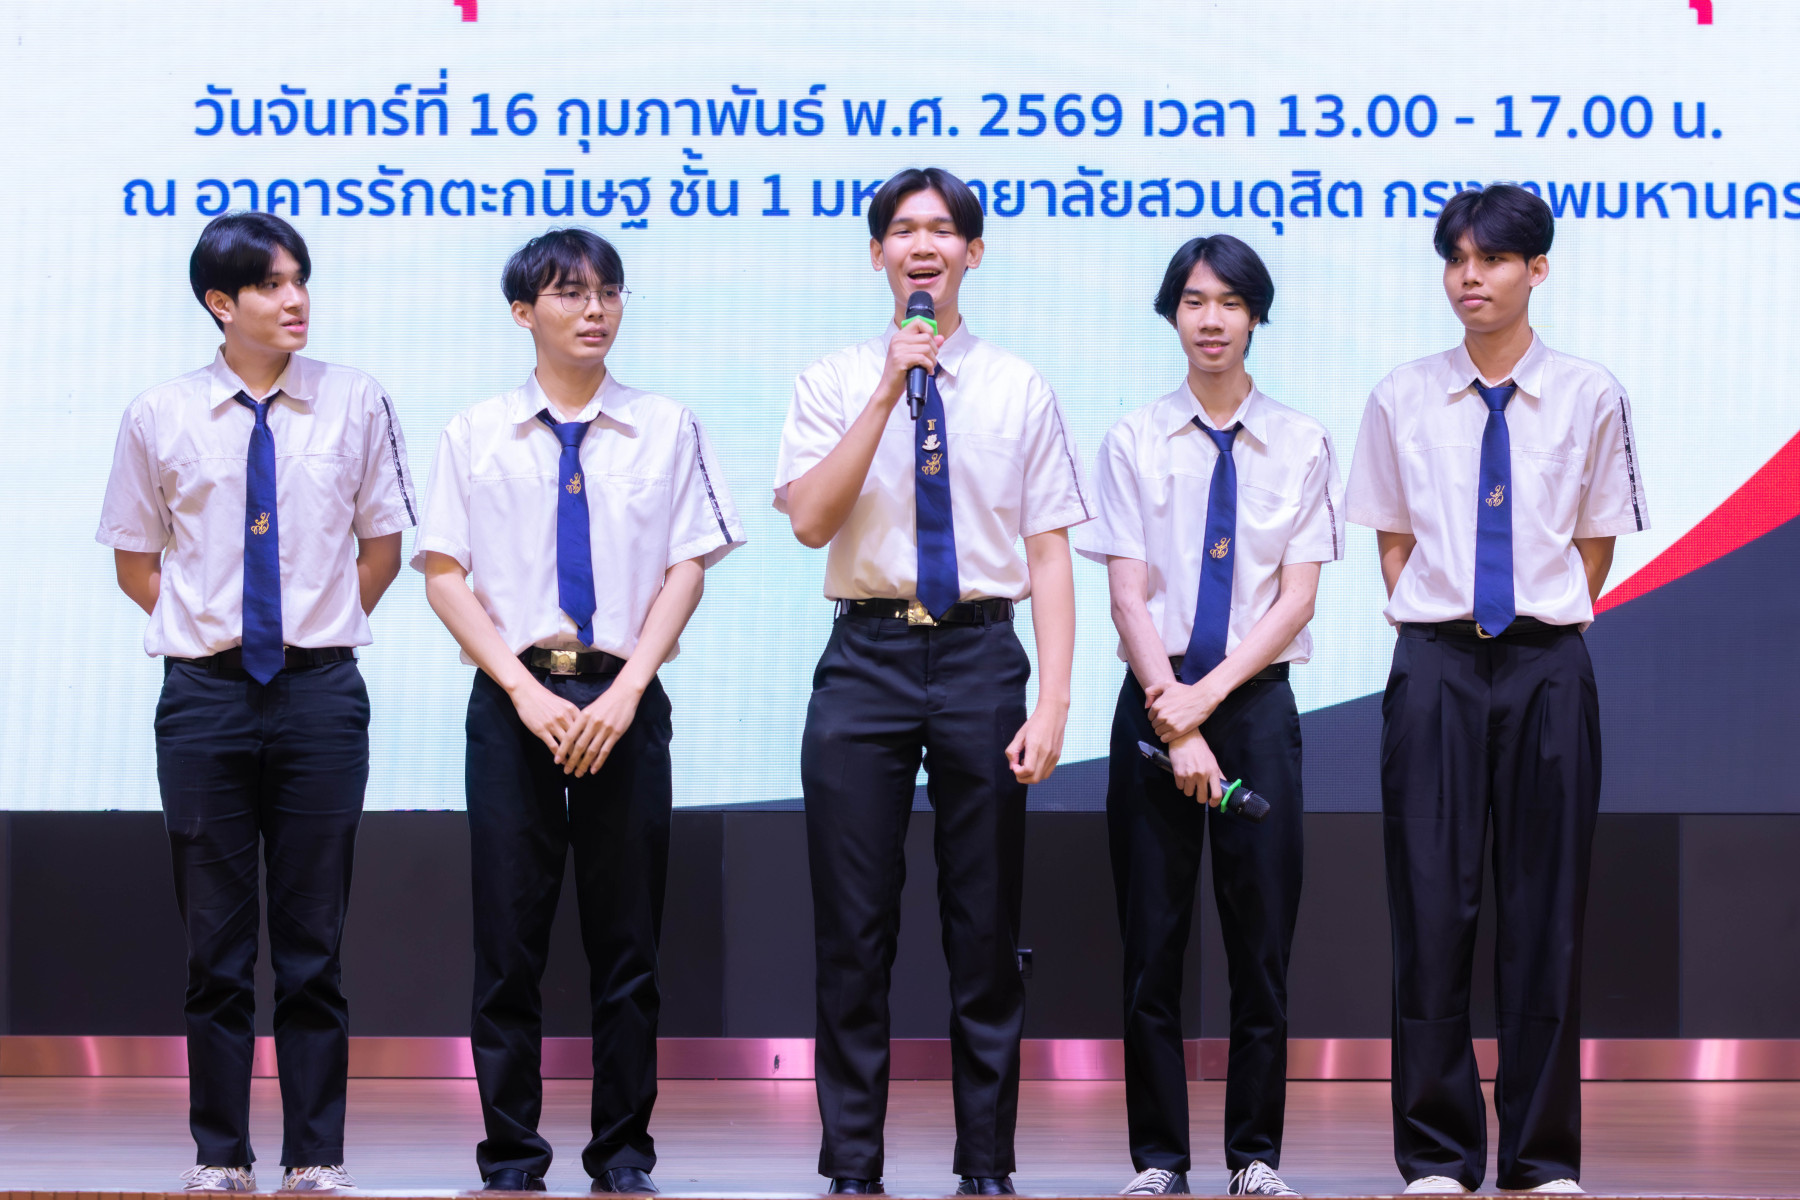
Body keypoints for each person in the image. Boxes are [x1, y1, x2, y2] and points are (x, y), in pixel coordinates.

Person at [773, 167, 1091, 1196]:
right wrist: (885, 390)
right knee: (853, 929)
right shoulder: (833, 380)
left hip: (981, 656)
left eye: (943, 231)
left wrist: (1053, 700)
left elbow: (1048, 551)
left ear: (973, 253)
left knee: (984, 927)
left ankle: (986, 1165)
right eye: (904, 231)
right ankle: (852, 1166)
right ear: (877, 255)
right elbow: (810, 521)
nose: (923, 246)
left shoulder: (1018, 386)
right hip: (864, 657)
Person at [415, 227, 744, 1194]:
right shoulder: (475, 433)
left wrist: (629, 687)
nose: (594, 309)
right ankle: (512, 1156)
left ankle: (624, 1153)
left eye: (608, 291)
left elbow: (689, 564)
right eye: (568, 293)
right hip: (512, 698)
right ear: (523, 312)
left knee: (628, 945)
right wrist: (522, 692)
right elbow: (443, 575)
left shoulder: (667, 425)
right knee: (507, 946)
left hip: (624, 697)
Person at [97, 211, 416, 1192]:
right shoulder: (160, 414)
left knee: (315, 946)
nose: (295, 299)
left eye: (300, 279)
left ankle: (315, 1155)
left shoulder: (357, 399)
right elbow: (136, 562)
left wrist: (312, 628)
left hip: (321, 697)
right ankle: (220, 1155)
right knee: (218, 948)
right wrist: (213, 630)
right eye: (272, 284)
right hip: (205, 699)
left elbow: (382, 547)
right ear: (219, 302)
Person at [1344, 184, 1650, 1195]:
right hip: (1433, 665)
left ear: (1537, 270)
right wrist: (1449, 621)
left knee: (1544, 912)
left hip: (1546, 665)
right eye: (1456, 260)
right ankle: (1437, 1154)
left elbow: (1595, 541)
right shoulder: (1400, 395)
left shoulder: (1590, 394)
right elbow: (1394, 539)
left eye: (1491, 259)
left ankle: (1539, 1155)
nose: (1468, 278)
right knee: (1431, 909)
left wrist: (1527, 616)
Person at [1077, 235, 1342, 1199]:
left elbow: (1296, 600)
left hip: (1254, 708)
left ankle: (1255, 1157)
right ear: (1172, 315)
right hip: (1154, 706)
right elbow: (1127, 595)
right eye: (1193, 301)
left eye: (1230, 302)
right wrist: (1174, 719)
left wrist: (1207, 703)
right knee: (1151, 947)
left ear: (1256, 315)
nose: (1212, 319)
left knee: (1260, 950)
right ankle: (1158, 1160)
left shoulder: (1303, 441)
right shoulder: (1133, 438)